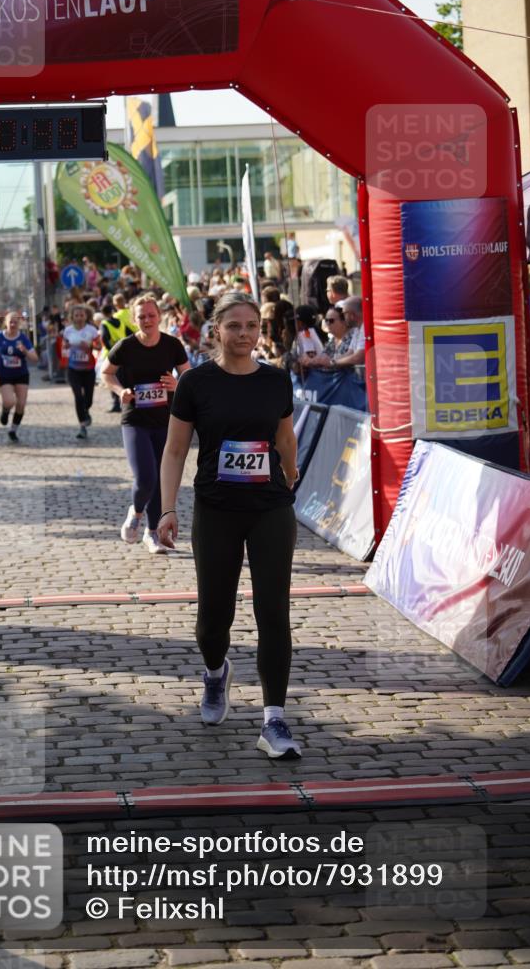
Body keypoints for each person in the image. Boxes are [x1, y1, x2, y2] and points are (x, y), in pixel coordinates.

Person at [158, 291, 301, 760]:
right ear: (216, 329)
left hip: (270, 508)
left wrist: (291, 474)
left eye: (252, 326)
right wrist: (167, 509)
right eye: (234, 326)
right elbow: (175, 450)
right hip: (217, 509)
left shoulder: (276, 380)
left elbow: (284, 437)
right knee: (212, 620)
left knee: (273, 612)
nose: (244, 334)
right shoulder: (196, 383)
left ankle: (274, 719)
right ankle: (216, 672)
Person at [101, 294, 190, 554]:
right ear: (134, 319)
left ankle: (152, 534)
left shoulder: (172, 345)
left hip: (165, 420)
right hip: (135, 420)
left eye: (151, 315)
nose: (147, 320)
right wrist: (120, 391)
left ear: (159, 317)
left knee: (161, 479)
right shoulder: (126, 346)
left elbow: (189, 376)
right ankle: (136, 512)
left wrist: (178, 384)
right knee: (145, 477)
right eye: (142, 316)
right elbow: (106, 373)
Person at [0, 310, 38, 443]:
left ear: (19, 324)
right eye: (10, 322)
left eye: (15, 322)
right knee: (9, 401)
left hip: (21, 374)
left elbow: (35, 358)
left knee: (21, 404)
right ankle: (5, 411)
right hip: (5, 375)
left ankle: (13, 430)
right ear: (6, 323)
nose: (13, 324)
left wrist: (25, 351)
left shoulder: (23, 338)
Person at [62, 303, 100, 439]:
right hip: (73, 369)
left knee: (88, 399)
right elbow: (64, 348)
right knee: (78, 396)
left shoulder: (92, 330)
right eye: (76, 315)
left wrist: (90, 345)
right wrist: (66, 347)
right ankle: (82, 426)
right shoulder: (68, 331)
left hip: (89, 369)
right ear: (72, 317)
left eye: (81, 315)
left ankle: (86, 410)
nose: (79, 318)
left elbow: (99, 346)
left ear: (86, 316)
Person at [100, 298, 137, 412]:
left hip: (110, 354)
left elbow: (104, 338)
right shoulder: (120, 322)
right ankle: (126, 402)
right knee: (122, 378)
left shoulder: (104, 323)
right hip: (123, 353)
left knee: (112, 378)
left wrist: (111, 350)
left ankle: (116, 403)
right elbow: (129, 333)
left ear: (103, 313)